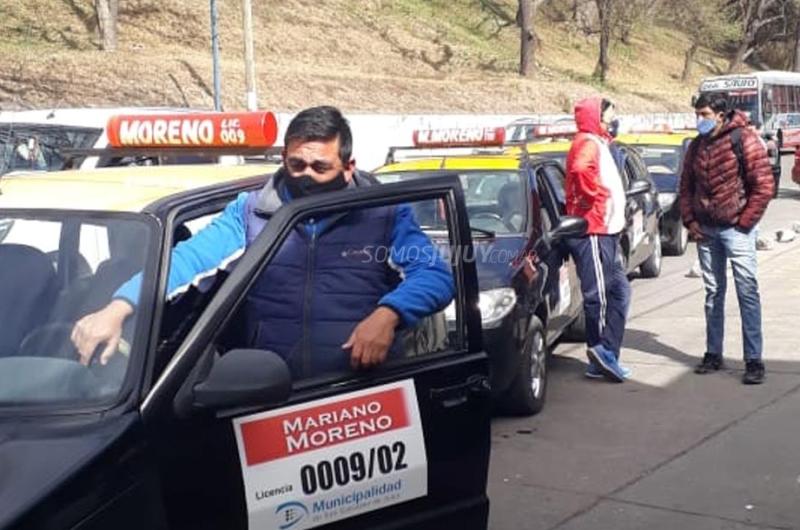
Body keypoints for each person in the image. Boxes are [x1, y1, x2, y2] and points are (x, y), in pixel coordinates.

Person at [71, 106, 455, 377]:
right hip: (270, 391)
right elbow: (187, 261)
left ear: (348, 167)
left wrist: (387, 316)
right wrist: (120, 306)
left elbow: (435, 276)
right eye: (296, 164)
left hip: (360, 390)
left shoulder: (385, 213)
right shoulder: (251, 211)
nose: (306, 176)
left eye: (321, 167)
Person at [679, 94, 774, 384]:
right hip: (706, 231)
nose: (700, 120)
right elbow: (686, 187)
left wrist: (745, 223)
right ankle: (713, 353)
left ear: (721, 115)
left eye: (704, 114)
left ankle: (754, 360)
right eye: (697, 114)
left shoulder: (743, 139)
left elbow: (764, 186)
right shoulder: (697, 145)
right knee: (713, 293)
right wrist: (691, 221)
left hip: (737, 230)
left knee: (747, 292)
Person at [564, 97, 631, 383]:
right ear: (595, 117)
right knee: (599, 295)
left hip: (608, 230)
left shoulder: (599, 142)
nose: (611, 122)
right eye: (608, 117)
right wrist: (596, 196)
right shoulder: (587, 142)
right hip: (593, 229)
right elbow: (580, 170)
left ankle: (607, 355)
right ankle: (599, 351)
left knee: (620, 291)